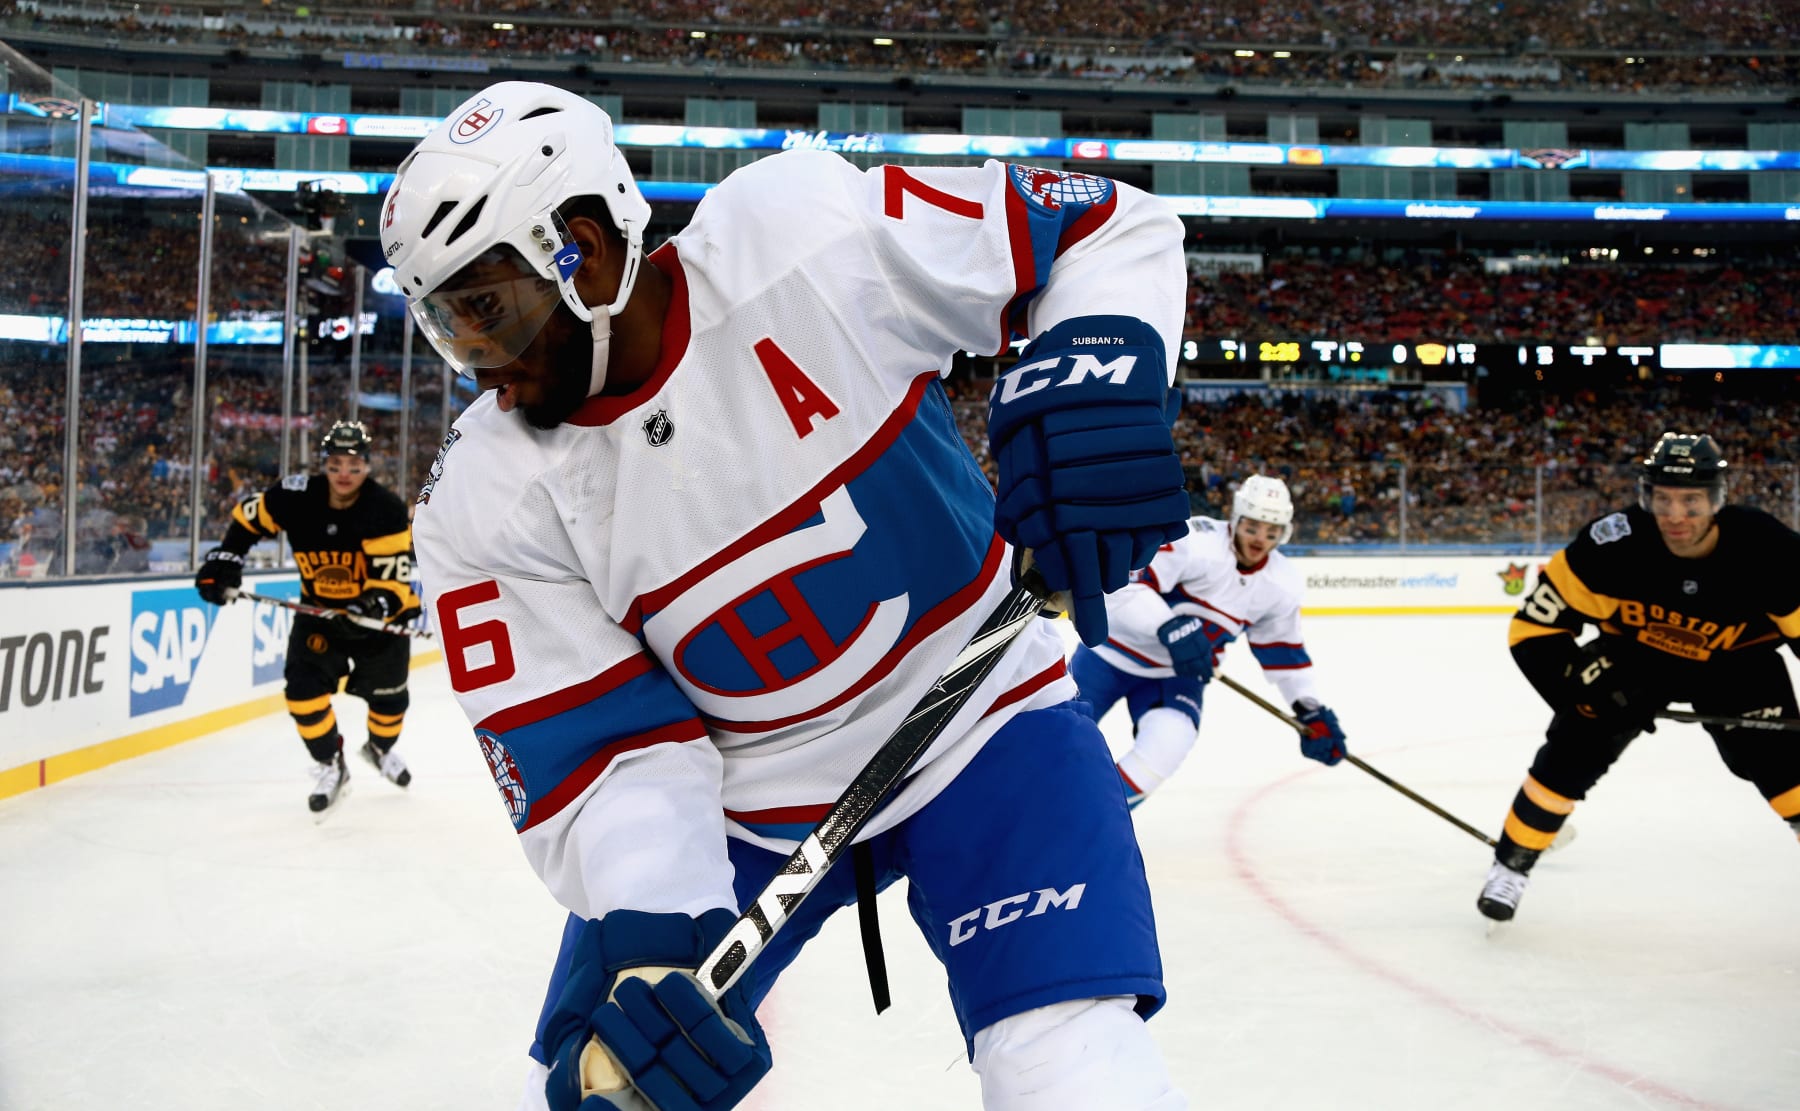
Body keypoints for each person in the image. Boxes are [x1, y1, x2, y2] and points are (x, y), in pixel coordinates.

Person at [383, 81, 1192, 1111]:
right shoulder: (485, 505)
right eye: (450, 323)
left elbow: (1098, 225)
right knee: (617, 1084)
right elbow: (606, 752)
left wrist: (1097, 368)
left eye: (486, 312)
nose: (482, 370)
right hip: (751, 799)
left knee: (1068, 1062)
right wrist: (647, 935)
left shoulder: (799, 236)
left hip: (988, 718)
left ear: (580, 245)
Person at [1480, 432, 1800, 921]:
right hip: (1634, 659)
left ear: (1717, 498)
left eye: (1691, 501)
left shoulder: (1770, 550)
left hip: (1738, 665)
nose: (1676, 515)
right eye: (1664, 499)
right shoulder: (1609, 546)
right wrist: (1577, 688)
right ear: (1646, 495)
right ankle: (1511, 867)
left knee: (1786, 771)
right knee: (1570, 751)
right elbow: (1533, 630)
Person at [1069, 475, 1349, 807]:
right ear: (1236, 517)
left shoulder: (1280, 584)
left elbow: (1284, 653)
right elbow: (1120, 585)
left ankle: (1095, 816)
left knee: (1168, 744)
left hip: (1178, 675)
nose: (1260, 540)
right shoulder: (1194, 539)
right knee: (1055, 736)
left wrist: (1309, 710)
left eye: (1271, 532)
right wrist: (1168, 626)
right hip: (1108, 655)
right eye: (1252, 527)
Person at [194, 420, 421, 817]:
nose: (344, 474)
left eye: (353, 464)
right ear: (323, 465)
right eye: (335, 465)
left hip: (376, 624)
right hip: (320, 616)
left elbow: (394, 581)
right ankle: (332, 764)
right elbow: (248, 519)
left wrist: (372, 607)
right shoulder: (295, 495)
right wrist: (226, 558)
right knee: (302, 694)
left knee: (389, 707)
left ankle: (379, 749)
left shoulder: (383, 508)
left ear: (366, 465)